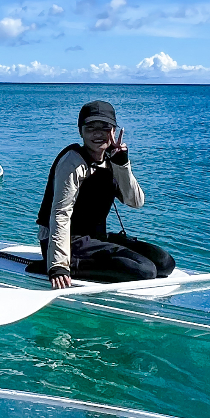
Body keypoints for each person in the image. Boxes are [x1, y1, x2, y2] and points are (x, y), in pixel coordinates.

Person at [35, 101, 175, 287]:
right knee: (144, 271)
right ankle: (64, 265)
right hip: (68, 239)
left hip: (95, 238)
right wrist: (58, 265)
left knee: (165, 263)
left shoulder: (112, 159)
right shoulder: (72, 161)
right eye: (90, 127)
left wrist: (122, 164)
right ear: (80, 131)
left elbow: (135, 201)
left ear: (114, 131)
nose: (98, 133)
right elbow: (61, 214)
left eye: (105, 127)